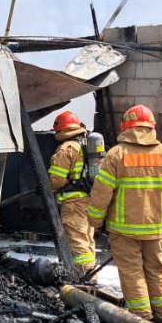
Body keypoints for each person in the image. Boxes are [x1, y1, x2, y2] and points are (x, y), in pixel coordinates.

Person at [86, 104, 162, 323]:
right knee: (156, 270)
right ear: (151, 127)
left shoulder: (116, 154)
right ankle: (160, 314)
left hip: (123, 230)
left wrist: (95, 220)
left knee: (132, 272)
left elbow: (101, 191)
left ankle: (142, 318)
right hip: (154, 228)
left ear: (126, 127)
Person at [47, 110, 97, 275]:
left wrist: (46, 186)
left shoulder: (66, 149)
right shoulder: (85, 145)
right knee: (87, 239)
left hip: (74, 203)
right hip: (89, 200)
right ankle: (90, 274)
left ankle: (85, 277)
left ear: (61, 129)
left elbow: (57, 180)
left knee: (77, 241)